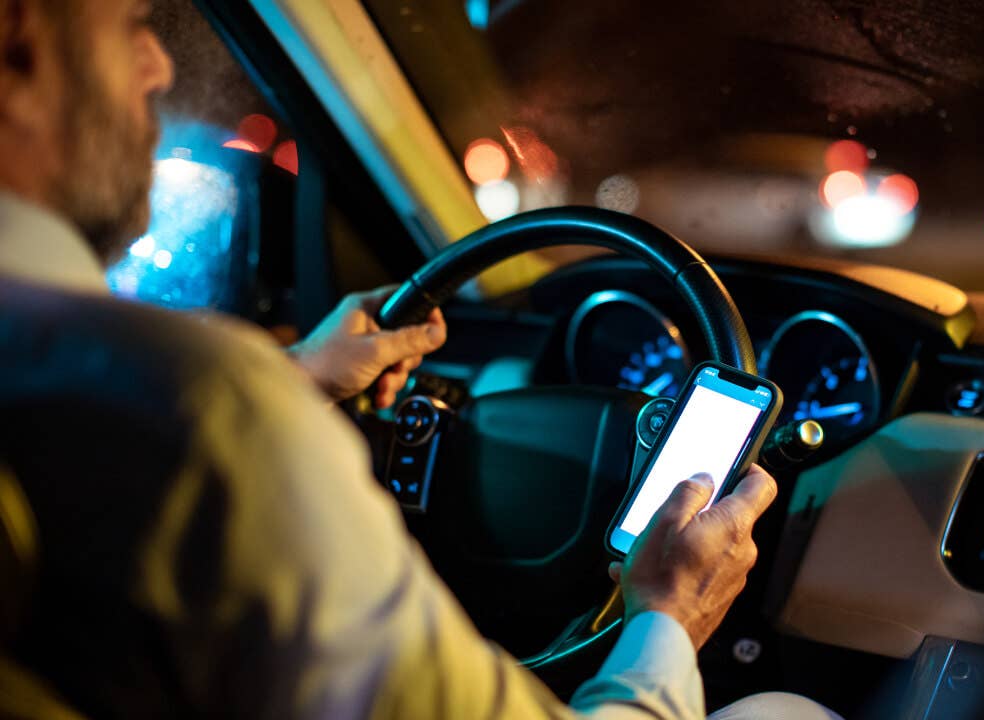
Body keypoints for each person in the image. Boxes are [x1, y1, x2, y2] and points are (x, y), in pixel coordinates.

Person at [0, 1, 841, 718]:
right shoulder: (211, 413)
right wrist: (666, 618)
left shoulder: (152, 395)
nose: (156, 67)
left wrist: (293, 377)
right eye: (130, 25)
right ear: (20, 38)